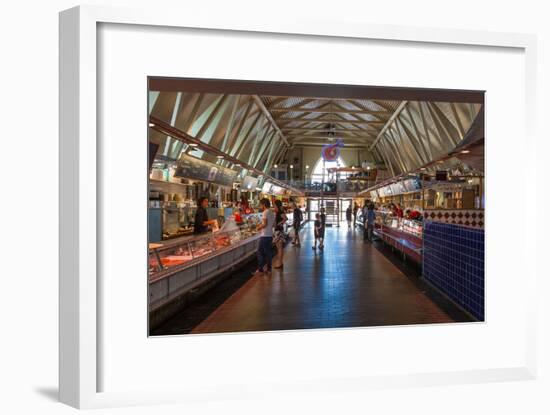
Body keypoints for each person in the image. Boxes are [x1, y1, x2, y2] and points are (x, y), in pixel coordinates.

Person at [253, 198, 275, 277]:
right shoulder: (272, 212)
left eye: (261, 204)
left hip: (265, 235)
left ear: (264, 205)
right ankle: (269, 269)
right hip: (270, 235)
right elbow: (273, 224)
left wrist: (258, 228)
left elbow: (264, 224)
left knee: (259, 252)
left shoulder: (265, 212)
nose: (260, 206)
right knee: (268, 253)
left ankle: (260, 270)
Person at [272, 200, 288, 269]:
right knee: (278, 248)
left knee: (279, 248)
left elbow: (285, 218)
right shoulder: (277, 212)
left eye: (274, 204)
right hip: (277, 231)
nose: (273, 206)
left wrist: (280, 223)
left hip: (279, 231)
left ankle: (280, 263)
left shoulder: (280, 212)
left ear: (277, 205)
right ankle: (280, 262)